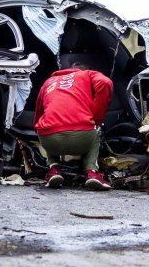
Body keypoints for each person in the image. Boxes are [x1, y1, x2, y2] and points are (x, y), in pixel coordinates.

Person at [34, 62, 114, 190]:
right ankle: (91, 172)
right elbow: (105, 82)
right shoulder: (87, 74)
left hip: (50, 142)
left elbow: (38, 114)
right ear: (82, 70)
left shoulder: (49, 82)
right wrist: (96, 118)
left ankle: (54, 169)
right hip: (83, 137)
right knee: (96, 132)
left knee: (45, 125)